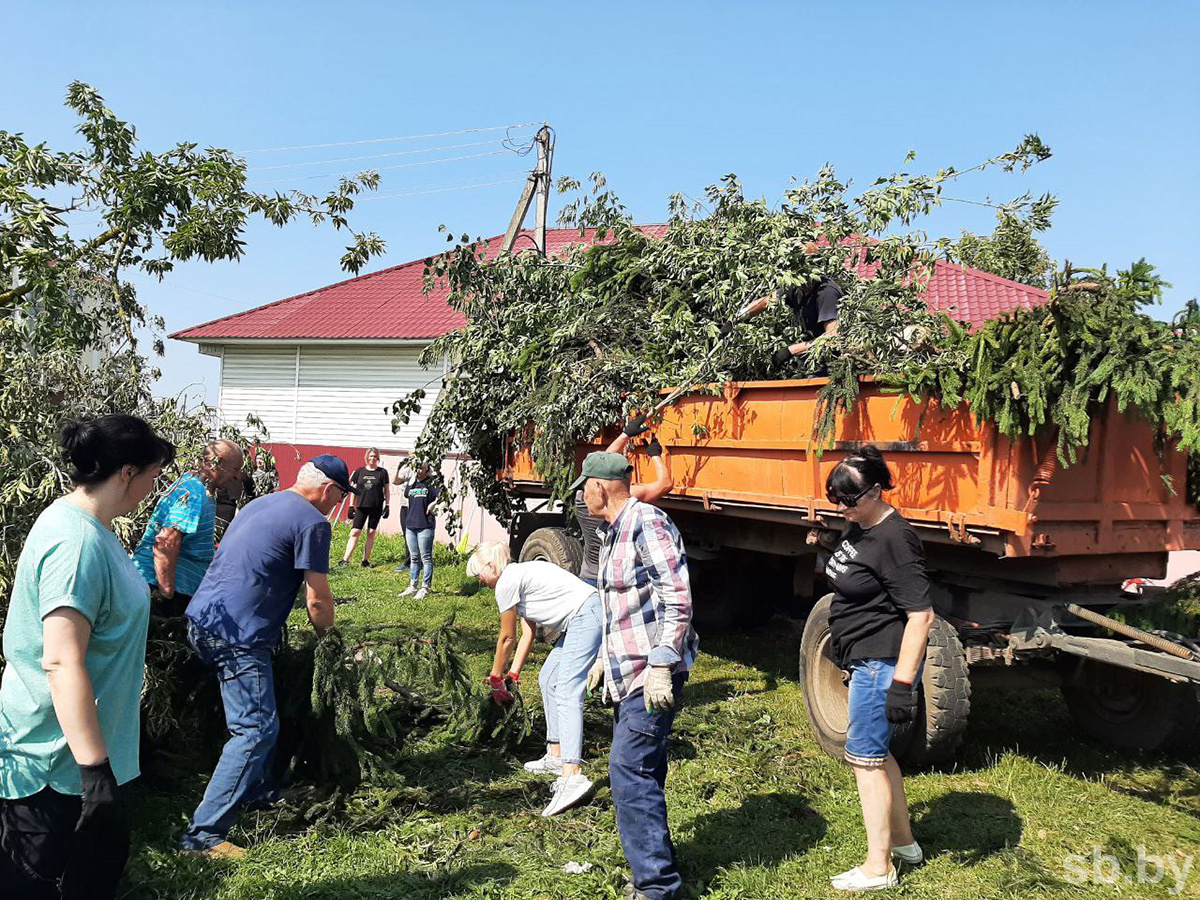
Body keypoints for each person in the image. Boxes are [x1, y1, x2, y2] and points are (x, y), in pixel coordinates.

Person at [0, 415, 175, 899]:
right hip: (56, 766)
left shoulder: (95, 528)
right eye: (151, 477)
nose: (150, 490)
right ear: (126, 473)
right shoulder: (74, 542)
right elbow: (60, 659)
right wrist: (95, 773)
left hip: (84, 759)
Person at [179, 454, 351, 859]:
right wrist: (332, 644)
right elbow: (317, 600)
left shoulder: (262, 502)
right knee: (255, 730)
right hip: (239, 636)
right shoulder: (312, 522)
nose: (337, 503)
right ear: (329, 490)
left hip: (203, 619)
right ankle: (202, 835)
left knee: (255, 713)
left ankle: (257, 790)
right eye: (340, 496)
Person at [575, 451, 699, 900]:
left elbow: (677, 596)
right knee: (644, 767)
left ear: (599, 487)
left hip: (652, 672)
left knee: (628, 768)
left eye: (583, 488)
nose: (582, 497)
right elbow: (621, 607)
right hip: (627, 670)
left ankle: (657, 886)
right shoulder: (613, 531)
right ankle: (658, 861)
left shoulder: (647, 522)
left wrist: (663, 664)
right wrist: (601, 660)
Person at [822, 446, 935, 892]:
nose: (841, 508)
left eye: (849, 501)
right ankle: (904, 843)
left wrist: (903, 685)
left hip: (880, 664)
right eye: (835, 499)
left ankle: (878, 867)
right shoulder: (860, 526)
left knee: (864, 762)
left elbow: (920, 616)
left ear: (875, 491)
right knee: (878, 754)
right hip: (862, 657)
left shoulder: (895, 539)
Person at [467, 541, 603, 817]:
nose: (479, 581)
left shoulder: (507, 582)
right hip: (581, 617)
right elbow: (527, 633)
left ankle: (572, 774)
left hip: (587, 615)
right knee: (547, 677)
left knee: (566, 689)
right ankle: (555, 754)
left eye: (479, 574)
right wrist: (513, 674)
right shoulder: (519, 576)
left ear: (492, 566)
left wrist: (495, 675)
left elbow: (507, 638)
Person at [131, 440, 244, 617]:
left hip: (177, 588)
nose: (237, 476)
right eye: (236, 469)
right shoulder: (193, 493)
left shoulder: (201, 491)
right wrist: (166, 592)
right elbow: (166, 540)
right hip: (160, 589)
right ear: (218, 464)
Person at [575, 414, 673, 587]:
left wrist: (625, 434)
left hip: (588, 577)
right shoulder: (623, 503)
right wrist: (655, 454)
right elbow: (665, 484)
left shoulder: (583, 499)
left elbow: (601, 465)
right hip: (613, 581)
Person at [736, 276, 843, 368]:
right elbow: (767, 301)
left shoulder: (826, 293)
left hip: (833, 361)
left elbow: (832, 339)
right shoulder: (797, 285)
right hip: (809, 357)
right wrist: (738, 318)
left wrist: (789, 351)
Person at [340, 448, 390, 568]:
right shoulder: (359, 471)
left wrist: (387, 505)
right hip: (361, 506)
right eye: (370, 456)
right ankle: (345, 560)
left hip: (376, 506)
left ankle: (365, 560)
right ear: (367, 457)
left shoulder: (382, 472)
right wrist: (351, 506)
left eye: (375, 456)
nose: (372, 458)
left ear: (378, 458)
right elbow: (354, 490)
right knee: (355, 532)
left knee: (371, 532)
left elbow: (387, 490)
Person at [399, 462, 439, 602]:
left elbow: (443, 496)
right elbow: (400, 480)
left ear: (427, 469)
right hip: (411, 525)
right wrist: (407, 466)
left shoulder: (431, 484)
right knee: (414, 557)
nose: (418, 470)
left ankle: (425, 587)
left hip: (425, 526)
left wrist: (434, 504)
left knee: (426, 558)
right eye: (416, 467)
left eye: (421, 467)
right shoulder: (412, 484)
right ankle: (412, 585)